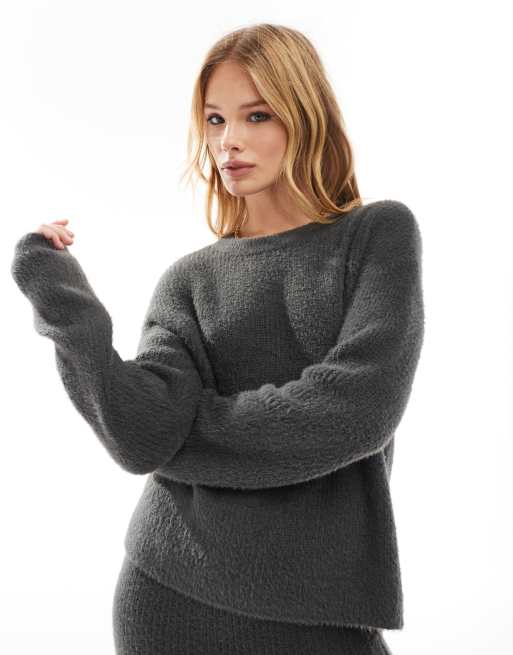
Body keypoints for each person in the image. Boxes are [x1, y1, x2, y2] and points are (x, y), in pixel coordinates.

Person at [11, 22, 423, 655]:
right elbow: (140, 435)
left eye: (257, 115)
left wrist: (186, 436)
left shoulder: (375, 236)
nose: (228, 140)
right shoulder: (189, 280)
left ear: (305, 116)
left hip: (323, 609)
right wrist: (60, 295)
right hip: (169, 595)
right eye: (214, 120)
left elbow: (356, 410)